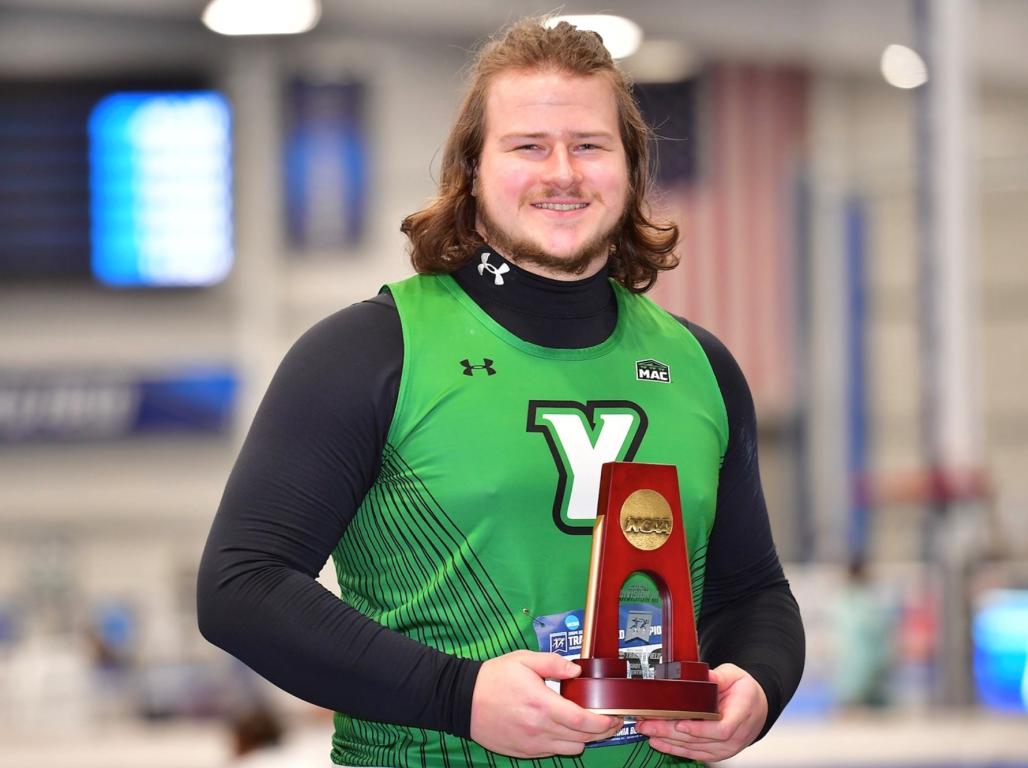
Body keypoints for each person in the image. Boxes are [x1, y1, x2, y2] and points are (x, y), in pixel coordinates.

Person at [198, 17, 804, 767]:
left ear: (632, 169)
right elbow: (241, 588)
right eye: (527, 147)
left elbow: (754, 595)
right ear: (472, 172)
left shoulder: (700, 366)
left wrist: (759, 687)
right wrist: (458, 694)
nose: (563, 172)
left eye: (590, 145)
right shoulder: (370, 352)